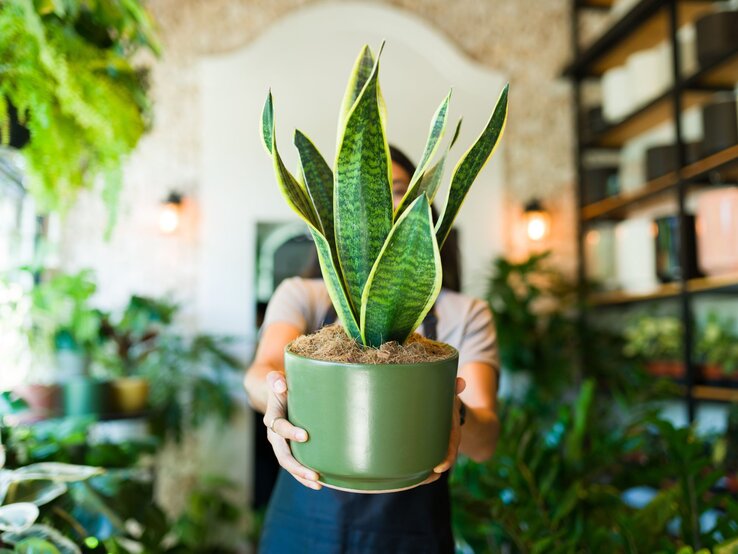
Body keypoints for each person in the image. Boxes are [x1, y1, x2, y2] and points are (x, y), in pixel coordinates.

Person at [244, 145, 500, 552]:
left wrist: (455, 410)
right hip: (305, 526)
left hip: (411, 533)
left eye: (399, 190)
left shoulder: (466, 312)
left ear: (424, 208)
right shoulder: (302, 295)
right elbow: (263, 372)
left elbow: (485, 443)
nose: (385, 206)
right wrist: (276, 401)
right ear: (341, 217)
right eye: (367, 198)